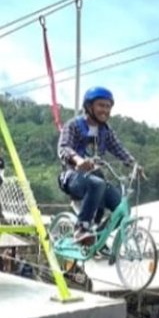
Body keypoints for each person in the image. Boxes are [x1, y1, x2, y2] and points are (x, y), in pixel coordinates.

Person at [57, 86, 143, 243]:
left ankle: (97, 238)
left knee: (123, 209)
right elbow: (64, 147)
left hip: (97, 179)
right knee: (97, 184)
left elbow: (118, 148)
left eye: (108, 106)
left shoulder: (106, 131)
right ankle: (81, 228)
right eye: (101, 105)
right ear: (89, 106)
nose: (105, 110)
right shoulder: (74, 125)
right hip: (73, 177)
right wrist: (78, 160)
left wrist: (133, 164)